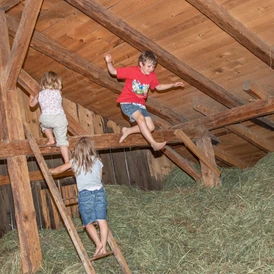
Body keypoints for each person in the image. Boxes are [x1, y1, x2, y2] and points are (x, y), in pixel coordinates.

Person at [104, 50, 184, 151]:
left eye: (153, 66)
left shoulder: (152, 75)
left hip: (140, 105)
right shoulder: (132, 71)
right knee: (140, 119)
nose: (151, 69)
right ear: (141, 64)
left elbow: (158, 87)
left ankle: (128, 131)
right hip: (128, 102)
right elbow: (113, 72)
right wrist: (109, 63)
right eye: (149, 66)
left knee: (150, 127)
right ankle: (153, 144)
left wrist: (172, 85)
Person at [49, 137, 109, 257]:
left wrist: (50, 171)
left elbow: (59, 169)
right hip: (99, 192)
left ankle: (98, 244)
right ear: (91, 148)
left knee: (87, 223)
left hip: (85, 194)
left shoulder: (75, 161)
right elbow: (100, 177)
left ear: (77, 150)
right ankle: (104, 244)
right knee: (102, 220)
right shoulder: (97, 161)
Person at [29, 71, 70, 163]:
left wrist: (31, 97)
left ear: (43, 82)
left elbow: (32, 105)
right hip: (59, 118)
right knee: (62, 141)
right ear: (57, 82)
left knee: (44, 125)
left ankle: (51, 139)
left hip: (46, 118)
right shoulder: (59, 92)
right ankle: (67, 161)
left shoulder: (40, 94)